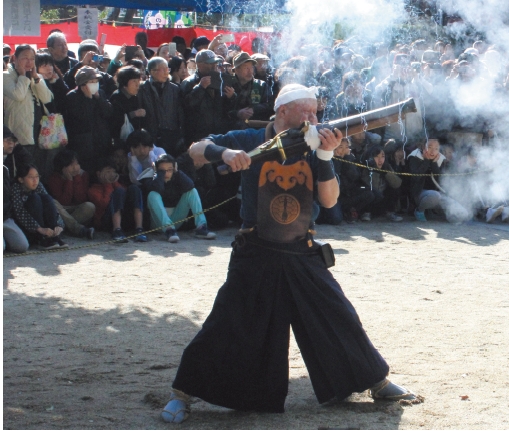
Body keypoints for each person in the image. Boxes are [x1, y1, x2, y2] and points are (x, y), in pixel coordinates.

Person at [162, 83, 419, 423]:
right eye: (306, 112)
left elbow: (329, 201)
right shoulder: (251, 139)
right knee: (227, 324)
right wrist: (223, 154)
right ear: (283, 112)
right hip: (254, 250)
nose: (314, 118)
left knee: (338, 316)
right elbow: (196, 149)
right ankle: (183, 395)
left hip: (302, 250)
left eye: (316, 112)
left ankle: (375, 380)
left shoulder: (317, 144)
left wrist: (326, 156)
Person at [4, 45, 54, 176]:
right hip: (18, 134)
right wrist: (23, 76)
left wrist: (37, 78)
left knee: (38, 172)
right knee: (21, 173)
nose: (29, 62)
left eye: (32, 58)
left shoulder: (35, 76)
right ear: (14, 58)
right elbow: (18, 95)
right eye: (25, 58)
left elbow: (47, 98)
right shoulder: (5, 76)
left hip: (39, 133)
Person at [145, 154, 216, 243]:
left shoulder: (177, 176)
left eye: (169, 170)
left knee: (192, 191)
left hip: (175, 219)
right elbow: (157, 188)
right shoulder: (150, 178)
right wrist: (159, 174)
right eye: (163, 171)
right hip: (157, 223)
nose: (166, 174)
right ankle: (168, 230)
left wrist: (177, 171)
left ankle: (201, 227)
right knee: (153, 194)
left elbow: (190, 185)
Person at [63, 67, 114, 173]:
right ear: (82, 83)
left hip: (102, 140)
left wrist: (98, 98)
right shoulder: (72, 97)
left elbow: (108, 112)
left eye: (96, 81)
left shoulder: (100, 93)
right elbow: (82, 116)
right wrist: (88, 99)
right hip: (84, 145)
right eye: (91, 82)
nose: (95, 84)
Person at [407, 139, 469, 223]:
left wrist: (433, 163)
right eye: (430, 147)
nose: (433, 151)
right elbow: (416, 178)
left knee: (463, 214)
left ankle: (447, 216)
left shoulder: (440, 159)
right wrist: (426, 161)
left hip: (438, 194)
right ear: (423, 147)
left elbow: (440, 180)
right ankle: (419, 211)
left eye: (436, 148)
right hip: (419, 194)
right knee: (434, 196)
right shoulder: (414, 157)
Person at [181, 50, 235, 144]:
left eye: (215, 62)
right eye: (210, 63)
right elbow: (186, 105)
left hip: (218, 133)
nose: (214, 66)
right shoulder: (189, 82)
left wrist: (231, 97)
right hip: (197, 135)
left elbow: (227, 109)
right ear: (199, 64)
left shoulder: (221, 80)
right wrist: (200, 88)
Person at [87, 158, 148, 243]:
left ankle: (139, 229)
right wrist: (108, 184)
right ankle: (117, 230)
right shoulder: (93, 189)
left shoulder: (119, 185)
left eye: (113, 171)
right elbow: (104, 204)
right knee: (119, 191)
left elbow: (125, 197)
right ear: (99, 174)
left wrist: (115, 183)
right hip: (107, 221)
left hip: (124, 218)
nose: (111, 174)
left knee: (134, 188)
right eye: (108, 171)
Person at [10, 165, 69, 249]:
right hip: (28, 228)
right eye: (31, 177)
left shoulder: (38, 185)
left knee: (47, 198)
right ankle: (41, 238)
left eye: (37, 177)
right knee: (35, 198)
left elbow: (50, 205)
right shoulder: (15, 188)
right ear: (21, 179)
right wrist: (39, 229)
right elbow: (19, 212)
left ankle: (53, 236)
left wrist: (58, 225)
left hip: (43, 227)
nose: (35, 180)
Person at [138, 57, 186, 155]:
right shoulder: (142, 89)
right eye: (163, 70)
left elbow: (180, 114)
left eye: (167, 69)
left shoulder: (174, 89)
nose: (166, 72)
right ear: (152, 71)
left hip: (172, 136)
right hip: (150, 137)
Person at [46, 149, 96, 239]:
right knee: (52, 202)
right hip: (62, 209)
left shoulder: (83, 175)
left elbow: (81, 198)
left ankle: (64, 228)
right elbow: (64, 201)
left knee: (90, 206)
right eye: (70, 165)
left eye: (76, 164)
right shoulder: (54, 178)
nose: (75, 167)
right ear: (62, 167)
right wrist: (69, 181)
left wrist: (76, 177)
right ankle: (78, 229)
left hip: (77, 210)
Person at [4, 128, 30, 253]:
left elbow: (29, 163)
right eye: (7, 141)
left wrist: (17, 147)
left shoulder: (7, 163)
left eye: (12, 141)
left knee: (22, 246)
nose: (11, 144)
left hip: (4, 217)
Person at [109, 66, 147, 151]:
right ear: (124, 82)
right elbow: (114, 121)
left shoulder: (136, 97)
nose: (137, 84)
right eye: (134, 81)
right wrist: (134, 114)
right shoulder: (116, 97)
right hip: (120, 144)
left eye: (138, 81)